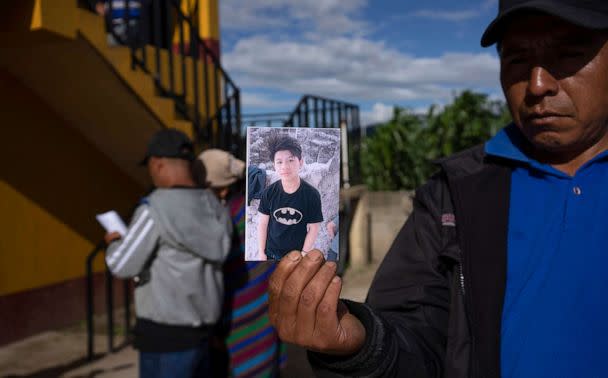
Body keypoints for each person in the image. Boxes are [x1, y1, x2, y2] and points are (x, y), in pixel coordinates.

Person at [267, 0, 608, 377]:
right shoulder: (454, 193)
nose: (537, 84)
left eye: (568, 53)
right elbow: (414, 332)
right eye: (515, 59)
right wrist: (360, 345)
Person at [104, 129, 232, 378]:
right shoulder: (215, 205)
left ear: (157, 163)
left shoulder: (155, 208)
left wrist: (114, 242)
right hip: (205, 335)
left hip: (164, 338)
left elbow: (121, 265)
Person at [198, 149, 287, 377]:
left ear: (222, 190)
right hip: (267, 314)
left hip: (237, 319)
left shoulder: (223, 224)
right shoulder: (259, 214)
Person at [257, 135, 323, 260]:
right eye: (279, 162)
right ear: (274, 165)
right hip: (272, 253)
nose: (284, 166)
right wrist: (261, 252)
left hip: (297, 255)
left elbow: (314, 228)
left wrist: (303, 253)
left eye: (291, 160)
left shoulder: (312, 194)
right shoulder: (268, 193)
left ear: (301, 162)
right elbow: (263, 224)